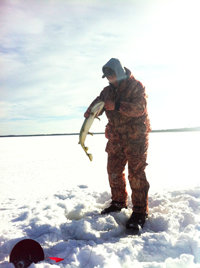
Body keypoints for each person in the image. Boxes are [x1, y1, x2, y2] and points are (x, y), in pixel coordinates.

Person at [84, 58, 151, 230]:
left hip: (136, 137)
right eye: (106, 76)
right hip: (116, 137)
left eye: (111, 75)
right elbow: (97, 104)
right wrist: (91, 111)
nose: (109, 79)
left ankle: (140, 212)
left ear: (119, 72)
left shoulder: (136, 86)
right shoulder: (106, 91)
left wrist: (117, 105)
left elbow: (139, 109)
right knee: (113, 170)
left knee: (136, 174)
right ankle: (119, 202)